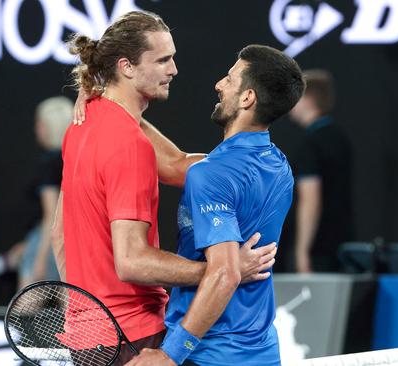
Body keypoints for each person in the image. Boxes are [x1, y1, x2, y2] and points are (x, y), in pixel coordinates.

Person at [53, 11, 276, 364]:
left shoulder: (82, 124)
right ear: (126, 67)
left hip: (88, 338)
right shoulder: (129, 144)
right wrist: (223, 271)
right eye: (163, 60)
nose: (173, 70)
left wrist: (89, 314)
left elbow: (59, 236)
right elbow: (132, 262)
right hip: (134, 336)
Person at [126, 45, 305, 366]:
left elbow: (225, 275)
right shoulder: (278, 166)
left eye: (230, 79)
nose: (219, 85)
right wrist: (118, 107)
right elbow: (174, 161)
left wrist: (171, 354)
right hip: (261, 352)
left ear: (248, 98)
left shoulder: (211, 174)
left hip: (209, 354)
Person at [289, 69, 353, 273]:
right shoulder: (340, 139)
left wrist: (302, 251)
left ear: (309, 98)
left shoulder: (311, 144)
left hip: (318, 250)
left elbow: (311, 199)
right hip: (343, 243)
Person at [9, 96, 72, 289]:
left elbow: (51, 215)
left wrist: (40, 258)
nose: (36, 128)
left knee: (23, 311)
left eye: (40, 123)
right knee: (72, 308)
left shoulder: (47, 163)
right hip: (73, 241)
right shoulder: (72, 159)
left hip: (50, 242)